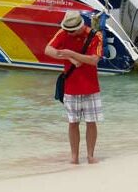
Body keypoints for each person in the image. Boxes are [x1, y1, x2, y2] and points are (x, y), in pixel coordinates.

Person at [45, 10, 103, 164]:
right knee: (73, 123)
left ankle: (90, 156)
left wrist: (72, 54)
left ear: (80, 26)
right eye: (67, 30)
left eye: (72, 30)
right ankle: (74, 157)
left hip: (90, 87)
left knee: (91, 122)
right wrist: (69, 58)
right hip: (70, 87)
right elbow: (48, 50)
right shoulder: (63, 32)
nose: (69, 33)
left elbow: (93, 60)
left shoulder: (95, 35)